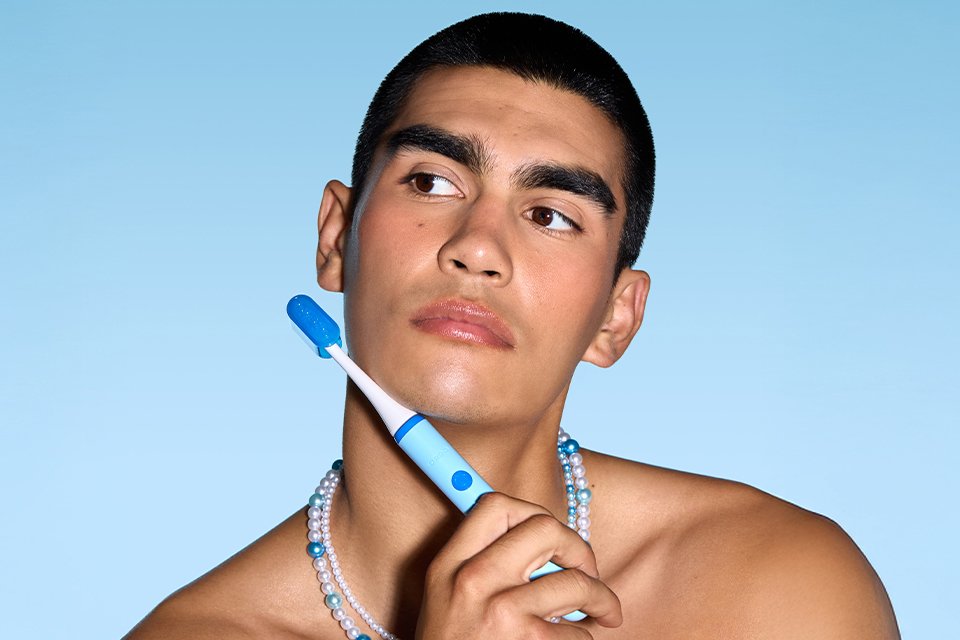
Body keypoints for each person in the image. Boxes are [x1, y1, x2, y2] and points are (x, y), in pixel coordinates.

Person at [125, 12, 899, 639]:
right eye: (431, 181)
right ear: (336, 236)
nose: (477, 248)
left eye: (551, 215)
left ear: (615, 318)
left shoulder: (781, 591)